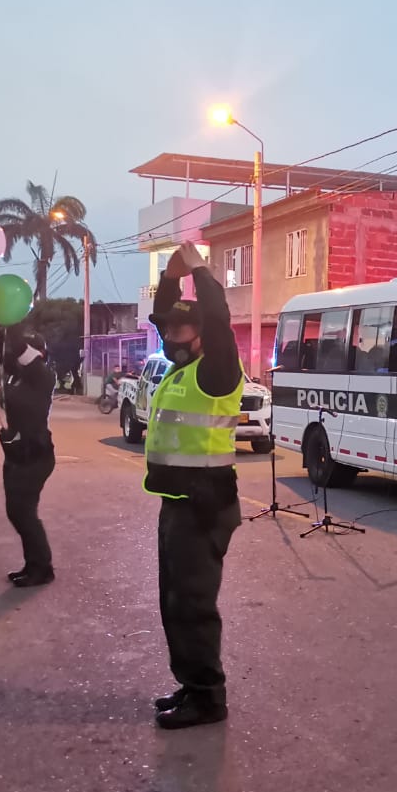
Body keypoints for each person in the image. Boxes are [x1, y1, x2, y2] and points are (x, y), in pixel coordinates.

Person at [145, 241, 244, 729]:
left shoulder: (216, 370)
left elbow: (218, 319)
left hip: (203, 507)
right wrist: (169, 274)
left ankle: (207, 698)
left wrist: (201, 268)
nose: (171, 334)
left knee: (193, 604)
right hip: (178, 503)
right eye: (168, 329)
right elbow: (162, 311)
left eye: (182, 327)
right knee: (175, 602)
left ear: (203, 334)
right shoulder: (180, 371)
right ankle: (190, 684)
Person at [0, 328, 56, 588]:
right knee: (17, 512)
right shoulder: (17, 379)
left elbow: (20, 348)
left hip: (35, 455)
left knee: (24, 513)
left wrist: (12, 324)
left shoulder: (42, 376)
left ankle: (42, 567)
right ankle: (33, 564)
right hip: (16, 454)